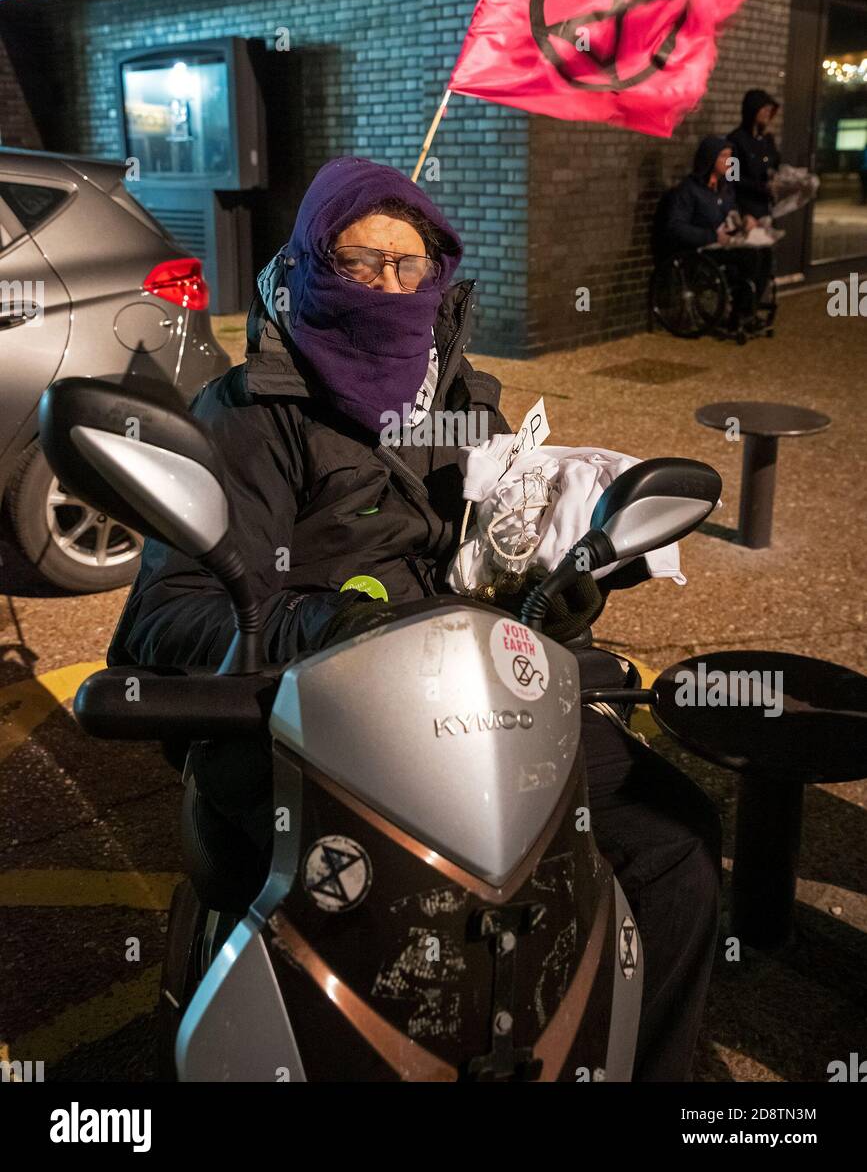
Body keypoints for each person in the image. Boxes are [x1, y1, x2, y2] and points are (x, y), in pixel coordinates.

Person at [107, 156, 721, 1081]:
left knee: (673, 838)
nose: (389, 287)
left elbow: (482, 557)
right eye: (361, 263)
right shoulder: (246, 414)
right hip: (304, 721)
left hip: (469, 710)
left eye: (411, 266)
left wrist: (552, 587)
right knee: (371, 920)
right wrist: (335, 631)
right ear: (311, 261)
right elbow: (166, 618)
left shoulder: (468, 404)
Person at [664, 134, 774, 329]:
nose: (729, 162)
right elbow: (675, 227)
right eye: (724, 157)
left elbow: (730, 213)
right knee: (749, 258)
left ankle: (747, 310)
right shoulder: (688, 191)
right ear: (709, 159)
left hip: (724, 244)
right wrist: (712, 236)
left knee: (765, 254)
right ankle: (741, 313)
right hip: (702, 249)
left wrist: (744, 220)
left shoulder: (725, 188)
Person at [727, 88, 781, 222]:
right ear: (753, 110)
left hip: (766, 207)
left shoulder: (767, 140)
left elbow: (775, 164)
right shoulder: (736, 139)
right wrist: (761, 186)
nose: (768, 114)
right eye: (765, 110)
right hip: (745, 209)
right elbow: (732, 177)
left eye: (770, 111)